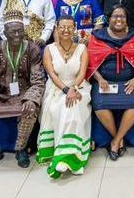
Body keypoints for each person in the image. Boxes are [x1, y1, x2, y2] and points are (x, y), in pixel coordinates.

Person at [0, 10, 45, 169]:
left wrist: (31, 98)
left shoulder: (32, 49)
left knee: (31, 108)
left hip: (24, 92)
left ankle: (21, 149)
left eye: (20, 30)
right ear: (4, 33)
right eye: (13, 31)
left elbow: (38, 81)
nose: (17, 34)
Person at [87, 5, 134, 160]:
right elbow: (90, 62)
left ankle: (116, 141)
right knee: (100, 105)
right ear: (109, 19)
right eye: (115, 16)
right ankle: (118, 138)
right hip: (104, 82)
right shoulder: (98, 36)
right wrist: (100, 79)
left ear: (127, 20)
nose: (119, 19)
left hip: (132, 81)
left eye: (122, 17)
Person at [37, 17, 93, 178]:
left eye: (69, 27)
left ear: (75, 28)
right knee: (60, 107)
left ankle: (69, 157)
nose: (66, 30)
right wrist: (66, 89)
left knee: (72, 107)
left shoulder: (82, 48)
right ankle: (65, 154)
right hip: (57, 88)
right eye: (62, 27)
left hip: (79, 87)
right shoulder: (49, 49)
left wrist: (73, 88)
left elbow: (82, 73)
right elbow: (52, 74)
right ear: (56, 28)